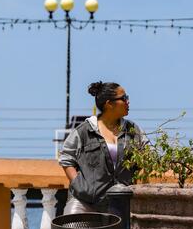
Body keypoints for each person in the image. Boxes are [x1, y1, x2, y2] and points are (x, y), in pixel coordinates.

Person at [59, 81, 144, 213]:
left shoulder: (133, 131)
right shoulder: (84, 131)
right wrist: (79, 186)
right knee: (72, 228)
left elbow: (149, 157)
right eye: (124, 98)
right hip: (84, 202)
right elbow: (66, 157)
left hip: (120, 204)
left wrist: (135, 187)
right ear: (109, 104)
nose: (128, 102)